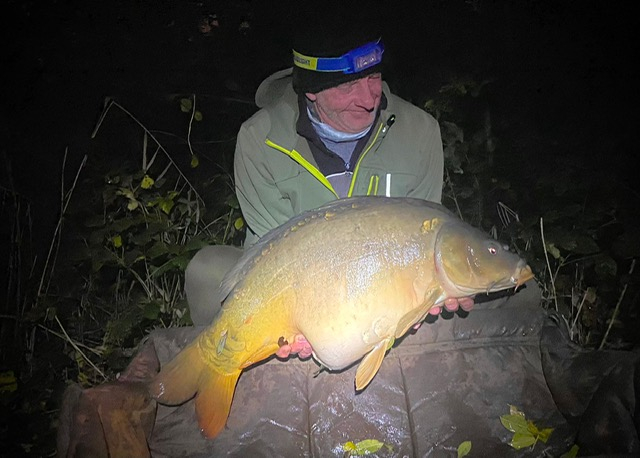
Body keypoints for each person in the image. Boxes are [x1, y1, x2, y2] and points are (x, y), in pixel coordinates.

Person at [185, 25, 473, 333]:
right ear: (311, 89)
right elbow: (271, 256)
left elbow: (425, 239)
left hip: (391, 283)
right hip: (296, 283)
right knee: (207, 271)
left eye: (373, 77)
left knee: (511, 285)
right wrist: (303, 320)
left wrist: (428, 295)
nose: (368, 99)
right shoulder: (261, 139)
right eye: (347, 85)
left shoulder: (420, 131)